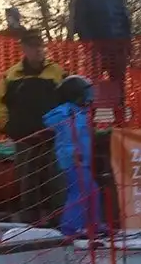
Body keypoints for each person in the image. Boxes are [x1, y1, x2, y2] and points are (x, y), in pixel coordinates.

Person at [0, 28, 70, 224]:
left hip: (52, 137)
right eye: (34, 47)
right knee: (27, 183)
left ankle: (60, 221)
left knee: (57, 179)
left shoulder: (58, 72)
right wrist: (8, 127)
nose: (39, 50)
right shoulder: (10, 76)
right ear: (24, 49)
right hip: (24, 138)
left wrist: (64, 126)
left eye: (41, 46)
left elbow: (69, 100)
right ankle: (30, 224)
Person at [39, 74, 102, 237]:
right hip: (73, 160)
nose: (90, 98)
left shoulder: (80, 113)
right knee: (79, 192)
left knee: (93, 190)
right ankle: (71, 227)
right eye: (87, 94)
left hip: (83, 160)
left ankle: (93, 224)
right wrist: (73, 153)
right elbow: (66, 136)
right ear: (76, 95)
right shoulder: (67, 113)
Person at [69, 0, 132, 119]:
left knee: (118, 86)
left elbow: (125, 22)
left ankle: (120, 120)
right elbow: (80, 23)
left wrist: (127, 46)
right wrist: (89, 44)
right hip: (96, 51)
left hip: (117, 50)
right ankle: (91, 120)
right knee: (92, 86)